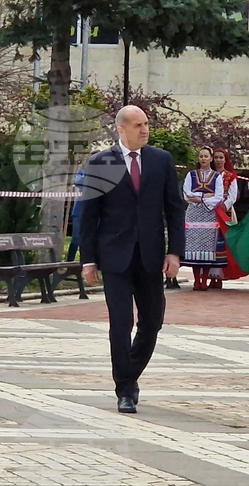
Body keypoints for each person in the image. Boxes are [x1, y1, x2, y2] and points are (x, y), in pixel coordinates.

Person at [80, 105, 186, 414]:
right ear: (121, 130)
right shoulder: (102, 163)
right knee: (121, 323)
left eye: (146, 124)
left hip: (151, 255)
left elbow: (174, 209)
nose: (144, 129)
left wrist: (175, 252)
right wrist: (88, 261)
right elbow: (89, 216)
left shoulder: (161, 161)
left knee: (152, 322)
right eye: (138, 125)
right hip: (114, 257)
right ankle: (125, 390)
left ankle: (129, 374)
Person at [181, 147, 224, 291]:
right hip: (193, 213)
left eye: (206, 156)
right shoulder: (191, 175)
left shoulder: (217, 177)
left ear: (211, 158)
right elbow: (187, 194)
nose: (203, 159)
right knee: (194, 246)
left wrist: (198, 197)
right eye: (201, 156)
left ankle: (204, 280)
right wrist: (205, 196)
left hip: (209, 213)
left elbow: (218, 196)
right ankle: (196, 280)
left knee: (207, 247)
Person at [207, 148, 240, 289]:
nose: (218, 160)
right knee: (210, 244)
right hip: (208, 212)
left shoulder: (230, 176)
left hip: (224, 213)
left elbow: (233, 196)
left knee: (222, 245)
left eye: (221, 157)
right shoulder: (209, 175)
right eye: (216, 157)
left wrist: (223, 207)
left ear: (225, 160)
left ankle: (219, 276)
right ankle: (209, 276)